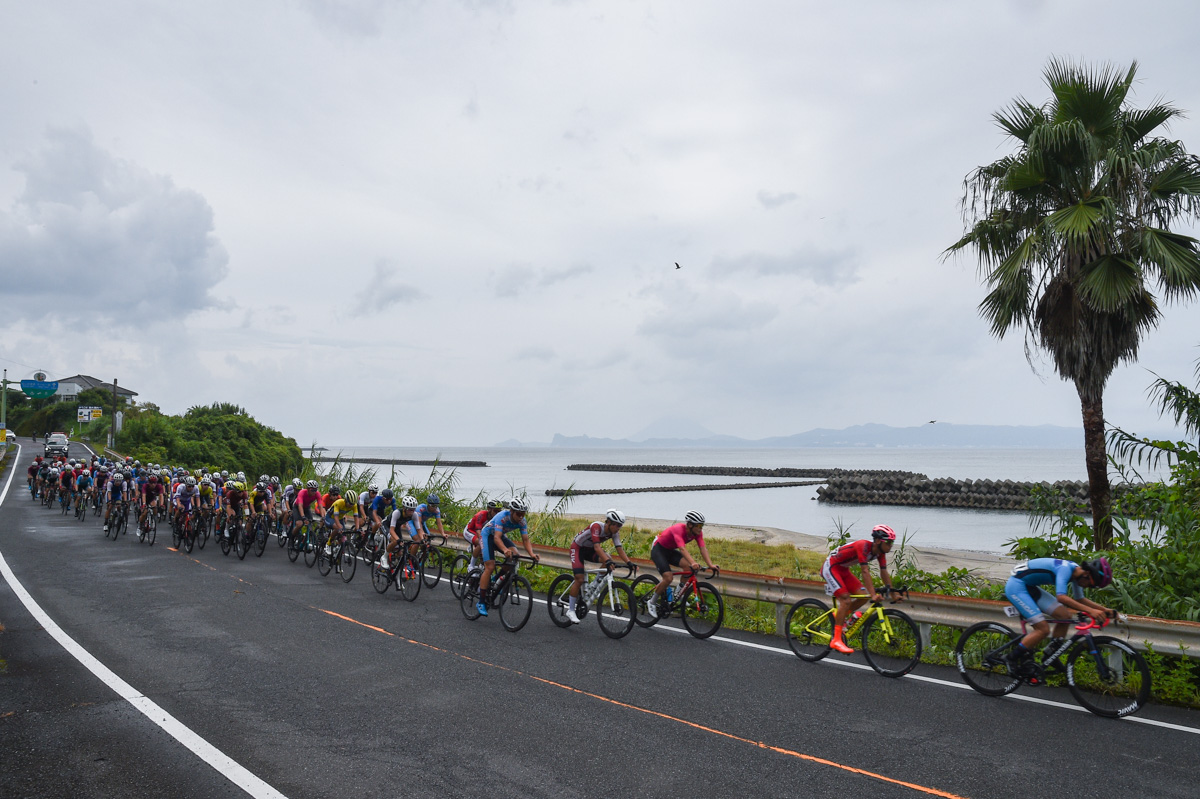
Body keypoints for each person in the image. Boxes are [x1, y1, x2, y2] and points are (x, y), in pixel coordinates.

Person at [1004, 557, 1113, 673]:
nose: (1087, 587)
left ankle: (1051, 654)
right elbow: (1061, 598)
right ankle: (1010, 658)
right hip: (1017, 587)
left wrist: (1105, 610)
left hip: (1030, 588)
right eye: (1091, 585)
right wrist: (1091, 611)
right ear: (1087, 573)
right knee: (1043, 629)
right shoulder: (1065, 569)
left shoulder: (1077, 573)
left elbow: (1080, 599)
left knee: (1065, 616)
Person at [821, 524, 897, 654]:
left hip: (843, 570)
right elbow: (865, 571)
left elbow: (883, 572)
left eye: (892, 542)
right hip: (831, 567)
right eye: (888, 542)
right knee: (845, 600)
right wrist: (874, 595)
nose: (890, 545)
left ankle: (841, 616)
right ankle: (836, 640)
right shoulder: (864, 546)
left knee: (864, 596)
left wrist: (893, 592)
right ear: (878, 541)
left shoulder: (880, 553)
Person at [565, 509, 635, 624]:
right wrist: (607, 560)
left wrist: (629, 562)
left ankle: (593, 585)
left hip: (589, 550)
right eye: (617, 525)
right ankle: (571, 610)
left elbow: (619, 549)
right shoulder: (596, 527)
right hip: (577, 548)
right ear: (608, 522)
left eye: (620, 526)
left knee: (608, 560)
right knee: (579, 578)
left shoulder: (614, 533)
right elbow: (597, 548)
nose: (618, 528)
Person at [645, 511, 718, 620]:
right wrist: (693, 562)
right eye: (698, 525)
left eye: (702, 525)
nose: (700, 528)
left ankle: (678, 593)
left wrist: (710, 565)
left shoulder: (697, 533)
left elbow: (703, 548)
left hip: (669, 550)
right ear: (690, 525)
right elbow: (682, 548)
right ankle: (652, 602)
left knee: (688, 568)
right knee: (668, 577)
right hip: (659, 549)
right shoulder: (678, 529)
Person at [476, 498, 540, 617]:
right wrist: (505, 550)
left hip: (499, 537)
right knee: (489, 567)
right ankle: (481, 602)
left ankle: (495, 579)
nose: (521, 517)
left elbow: (525, 539)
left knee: (514, 555)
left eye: (523, 514)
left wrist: (532, 554)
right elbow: (496, 538)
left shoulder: (522, 521)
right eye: (518, 514)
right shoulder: (502, 517)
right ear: (511, 511)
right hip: (487, 536)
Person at [463, 499, 504, 572]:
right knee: (480, 543)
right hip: (470, 531)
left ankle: (481, 567)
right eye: (495, 511)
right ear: (489, 509)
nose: (497, 513)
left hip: (481, 532)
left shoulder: (497, 519)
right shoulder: (481, 515)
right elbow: (478, 531)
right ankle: (471, 566)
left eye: (499, 511)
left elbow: (500, 532)